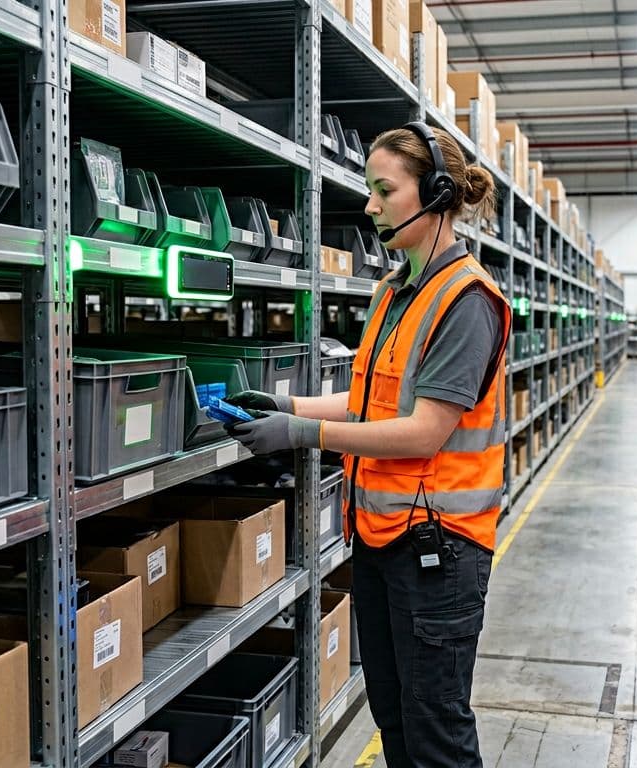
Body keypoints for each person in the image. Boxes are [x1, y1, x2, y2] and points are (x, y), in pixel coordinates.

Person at [227, 121, 510, 767]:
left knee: (436, 729)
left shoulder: (466, 301)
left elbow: (423, 430)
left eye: (384, 190)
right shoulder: (394, 290)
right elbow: (373, 403)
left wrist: (301, 434)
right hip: (383, 541)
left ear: (436, 195)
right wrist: (286, 403)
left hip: (441, 548)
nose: (370, 205)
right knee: (396, 717)